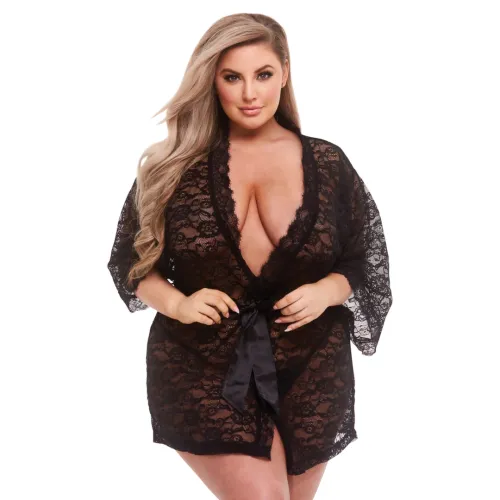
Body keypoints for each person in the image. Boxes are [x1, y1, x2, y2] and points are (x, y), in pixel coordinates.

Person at [107, 12, 393, 500]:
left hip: (312, 365)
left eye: (262, 74)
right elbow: (130, 265)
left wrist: (326, 292)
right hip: (202, 362)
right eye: (232, 77)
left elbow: (362, 258)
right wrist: (178, 303)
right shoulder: (175, 167)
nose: (249, 94)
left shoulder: (328, 162)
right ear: (211, 81)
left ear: (285, 72)